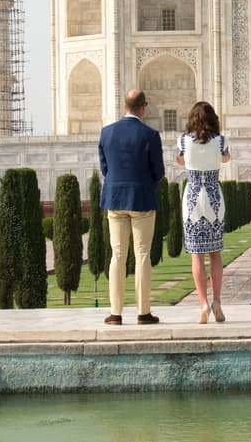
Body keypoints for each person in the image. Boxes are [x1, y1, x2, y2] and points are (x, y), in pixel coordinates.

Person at [97, 89, 165, 325]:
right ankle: (143, 312)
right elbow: (159, 172)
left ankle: (115, 313)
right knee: (142, 255)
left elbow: (105, 168)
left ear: (125, 105)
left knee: (117, 255)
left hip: (115, 200)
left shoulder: (107, 133)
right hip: (142, 200)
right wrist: (145, 186)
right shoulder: (150, 135)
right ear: (142, 107)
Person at [176, 100, 231, 323]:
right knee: (215, 253)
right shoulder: (221, 142)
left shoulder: (182, 141)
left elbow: (180, 161)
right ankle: (217, 301)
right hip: (214, 200)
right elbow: (226, 158)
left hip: (192, 201)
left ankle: (203, 304)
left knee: (196, 254)